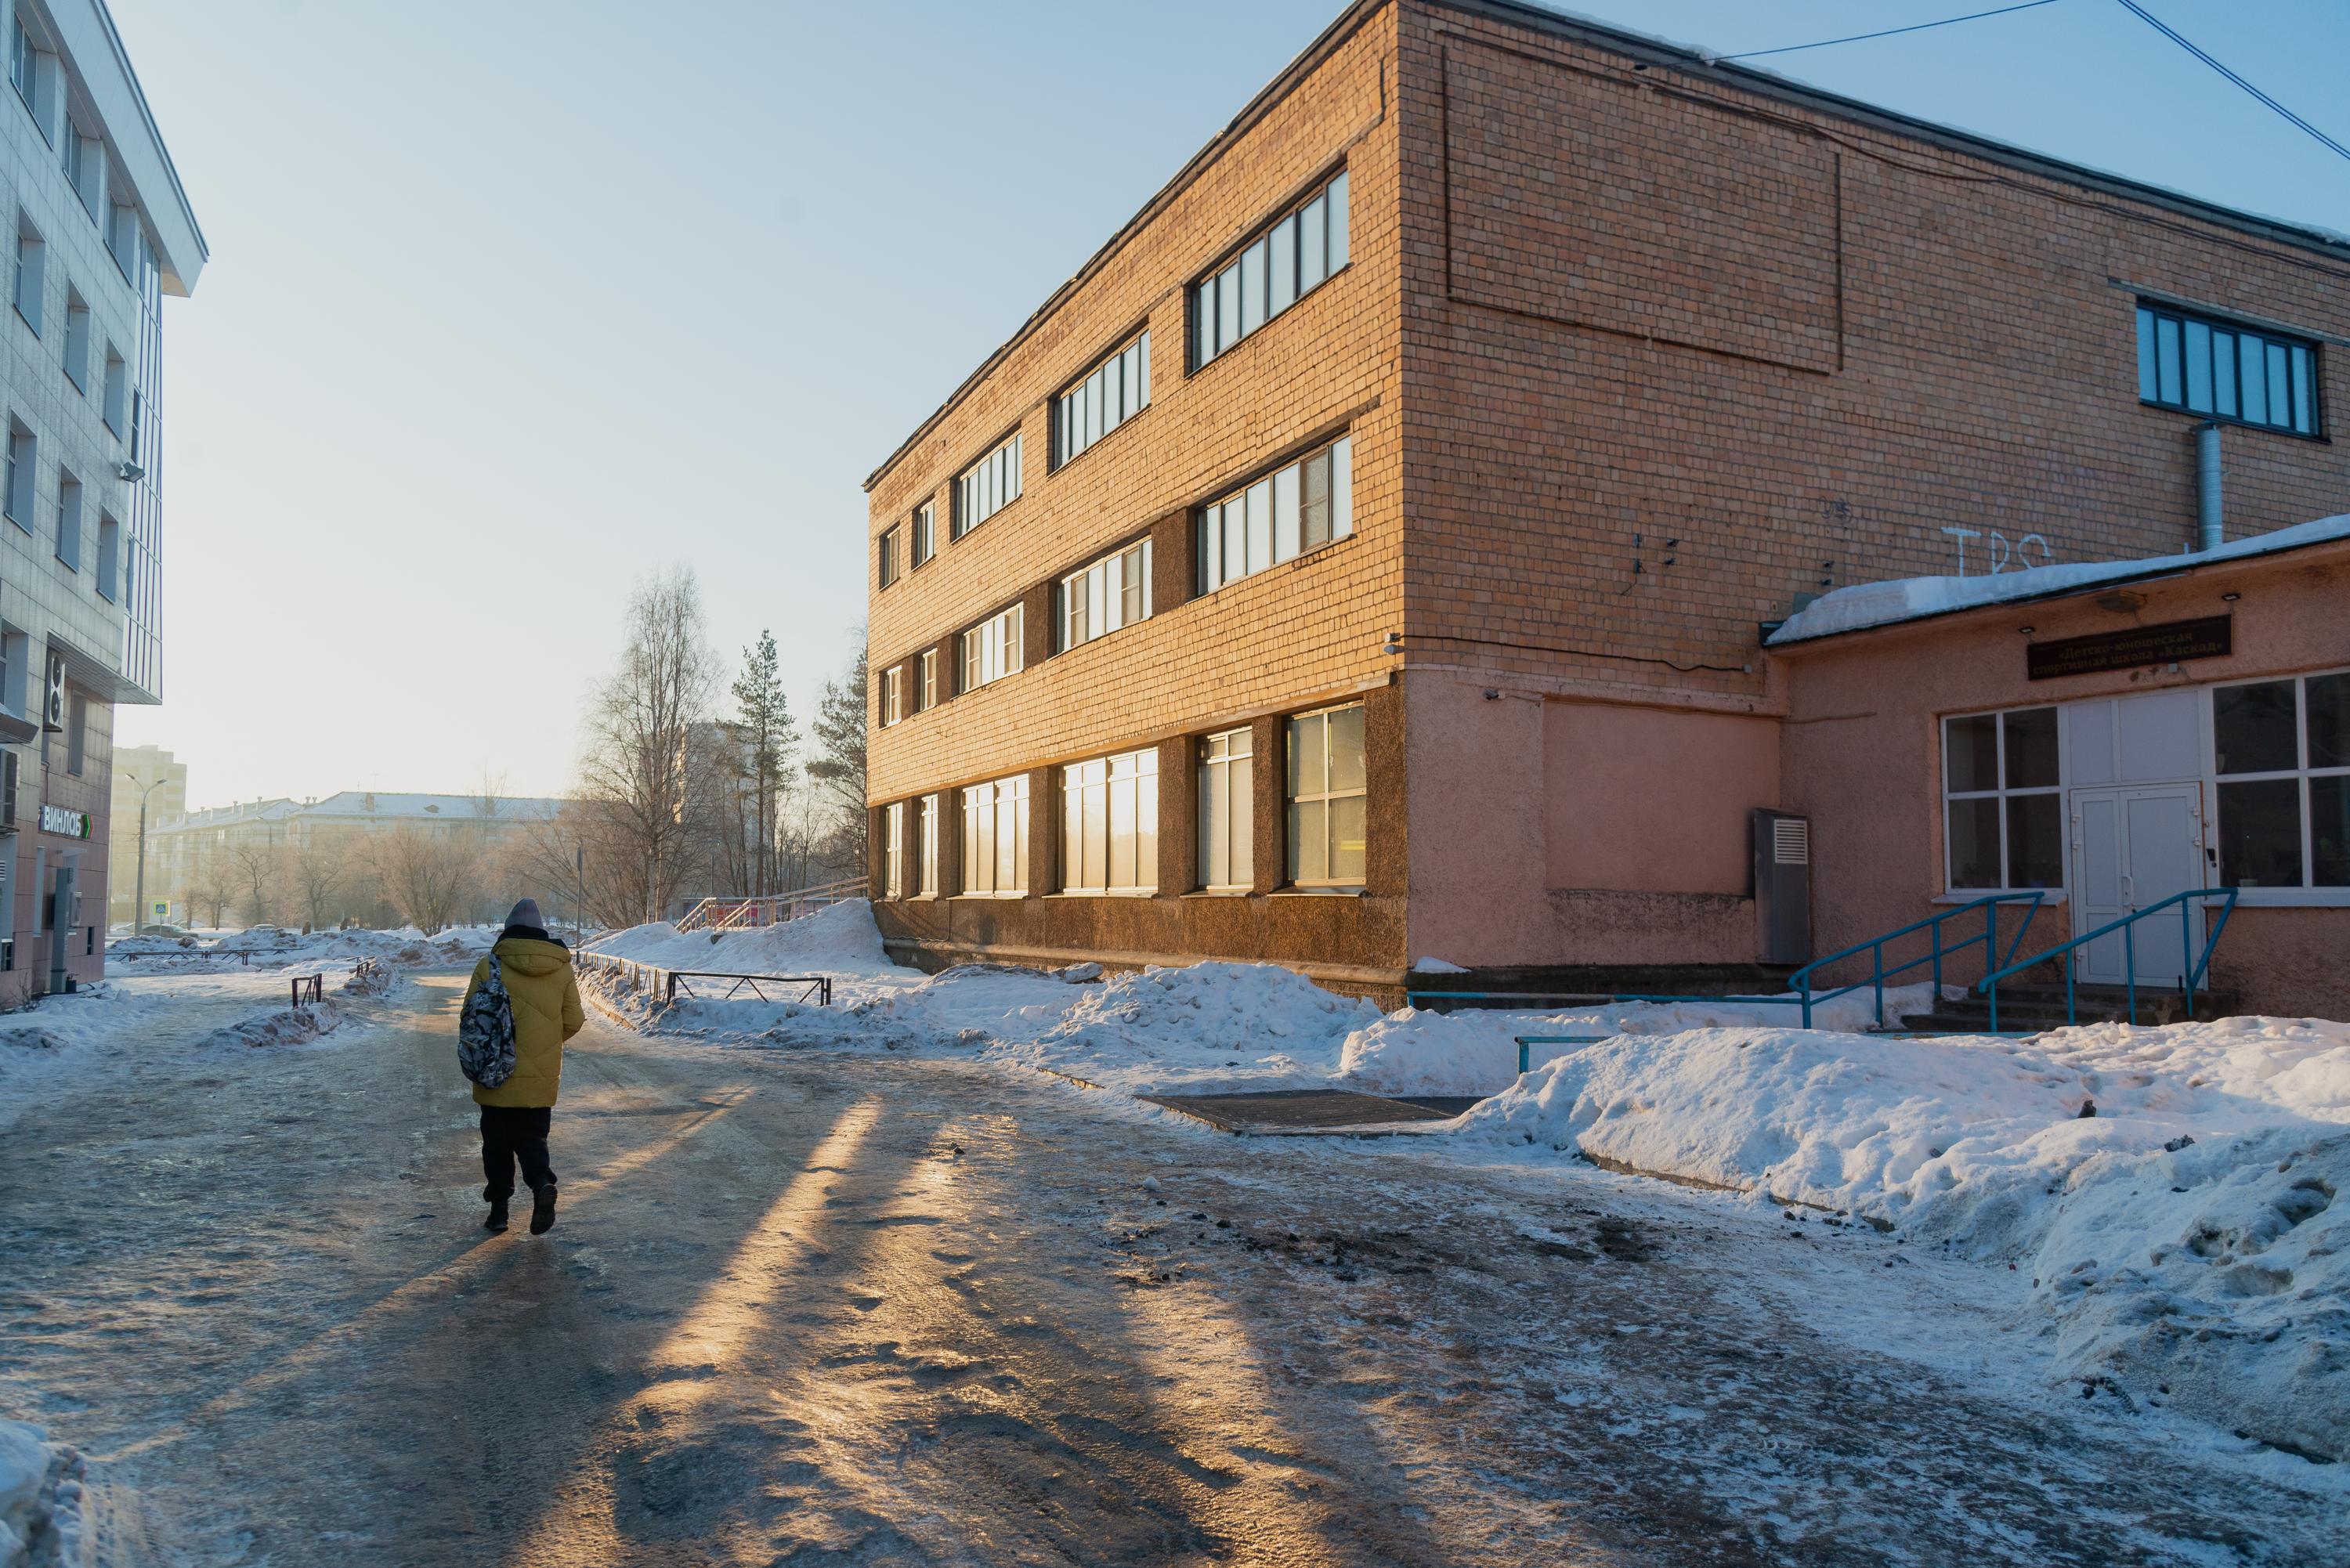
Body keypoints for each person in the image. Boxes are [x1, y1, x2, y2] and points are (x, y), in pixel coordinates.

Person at [464, 898, 584, 1235]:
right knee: (533, 1140)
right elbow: (575, 1020)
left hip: (494, 1072)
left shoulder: (490, 964)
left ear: (507, 929)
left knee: (497, 1146)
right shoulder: (561, 967)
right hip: (540, 1080)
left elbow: (470, 1017)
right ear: (542, 931)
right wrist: (544, 1043)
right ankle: (542, 1183)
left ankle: (499, 1213)